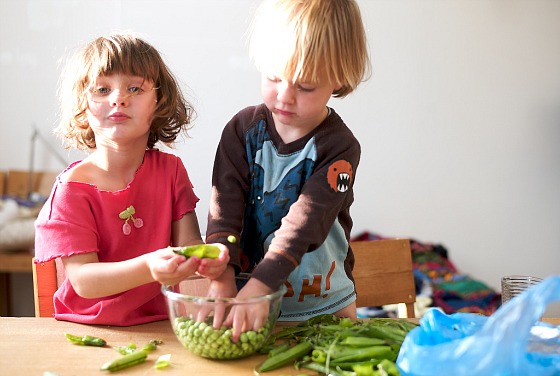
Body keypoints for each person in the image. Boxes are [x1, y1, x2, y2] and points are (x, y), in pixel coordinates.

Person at [34, 32, 229, 326]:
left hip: (160, 324)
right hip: (86, 329)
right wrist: (150, 266)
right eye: (102, 90)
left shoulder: (171, 170)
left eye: (135, 88)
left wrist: (206, 258)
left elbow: (188, 244)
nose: (119, 99)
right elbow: (85, 281)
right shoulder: (72, 189)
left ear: (159, 102)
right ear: (83, 106)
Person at [205, 0, 370, 339]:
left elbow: (306, 223)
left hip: (323, 303)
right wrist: (221, 276)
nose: (284, 95)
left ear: (338, 78)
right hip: (246, 303)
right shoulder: (241, 131)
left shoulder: (340, 146)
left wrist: (264, 284)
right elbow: (225, 211)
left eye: (305, 86)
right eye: (274, 77)